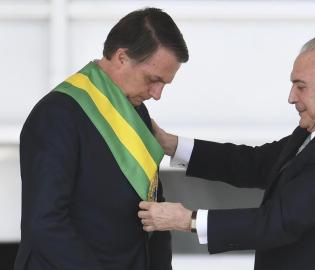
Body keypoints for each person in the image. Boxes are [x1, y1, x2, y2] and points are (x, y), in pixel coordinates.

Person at [138, 34, 315, 270]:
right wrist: (170, 144)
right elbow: (254, 163)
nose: (291, 97)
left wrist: (186, 220)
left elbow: (278, 222)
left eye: (300, 86)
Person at [15, 7, 188, 270]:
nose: (157, 94)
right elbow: (45, 224)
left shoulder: (136, 111)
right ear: (121, 57)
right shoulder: (57, 114)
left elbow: (152, 205)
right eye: (153, 80)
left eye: (164, 84)